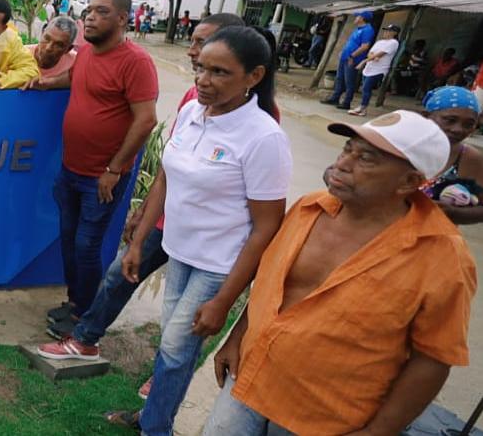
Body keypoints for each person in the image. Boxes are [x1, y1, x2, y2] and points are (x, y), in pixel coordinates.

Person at [204, 111, 474, 436]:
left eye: (367, 159)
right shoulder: (308, 209)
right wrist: (236, 338)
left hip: (324, 418)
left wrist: (378, 432)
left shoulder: (441, 256)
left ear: (409, 182)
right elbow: (271, 286)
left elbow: (432, 360)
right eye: (348, 148)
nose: (344, 163)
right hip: (248, 380)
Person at [96, 27, 291, 434]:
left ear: (254, 76)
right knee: (175, 343)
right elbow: (166, 180)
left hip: (219, 265)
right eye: (202, 68)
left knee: (174, 347)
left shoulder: (263, 137)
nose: (203, 80)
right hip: (179, 251)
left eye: (220, 73)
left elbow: (267, 226)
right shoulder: (191, 113)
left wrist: (225, 299)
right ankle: (156, 419)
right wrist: (137, 242)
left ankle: (155, 426)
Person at [32, 0, 159, 334]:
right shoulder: (86, 53)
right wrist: (47, 84)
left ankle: (83, 317)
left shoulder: (136, 62)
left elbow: (146, 120)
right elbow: (74, 79)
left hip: (101, 179)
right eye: (88, 10)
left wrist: (114, 169)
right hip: (70, 170)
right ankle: (76, 302)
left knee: (87, 247)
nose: (90, 16)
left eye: (101, 11)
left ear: (122, 18)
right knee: (71, 241)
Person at [420, 86, 483, 225]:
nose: (458, 129)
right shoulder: (399, 146)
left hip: (431, 242)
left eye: (469, 124)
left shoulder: (468, 158)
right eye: (450, 120)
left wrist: (454, 213)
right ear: (425, 116)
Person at [322, 10, 376, 110]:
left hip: (353, 58)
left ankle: (347, 102)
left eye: (357, 17)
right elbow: (351, 42)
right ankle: (335, 98)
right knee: (339, 78)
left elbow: (365, 46)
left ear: (362, 18)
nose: (355, 19)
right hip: (345, 56)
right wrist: (343, 52)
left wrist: (352, 56)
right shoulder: (358, 28)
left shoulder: (368, 30)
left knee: (349, 81)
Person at [349, 23, 401, 116]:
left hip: (379, 69)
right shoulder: (379, 42)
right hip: (369, 67)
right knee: (364, 87)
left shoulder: (394, 43)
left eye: (389, 31)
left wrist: (364, 61)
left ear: (394, 33)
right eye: (386, 30)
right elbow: (371, 53)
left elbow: (380, 54)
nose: (386, 32)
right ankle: (363, 108)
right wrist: (371, 57)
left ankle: (362, 107)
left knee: (366, 88)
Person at [25, 16, 79, 82]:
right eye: (47, 38)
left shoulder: (77, 62)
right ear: (42, 33)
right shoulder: (20, 54)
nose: (48, 48)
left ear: (68, 49)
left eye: (58, 45)